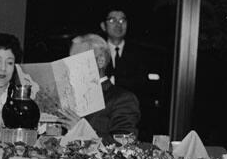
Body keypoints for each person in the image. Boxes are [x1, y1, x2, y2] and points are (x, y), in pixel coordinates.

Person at [60, 33, 140, 145]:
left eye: (77, 59)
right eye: (69, 60)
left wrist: (81, 130)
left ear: (100, 61)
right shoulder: (68, 95)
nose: (70, 66)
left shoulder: (122, 99)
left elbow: (124, 143)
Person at [100, 8, 168, 140]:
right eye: (112, 20)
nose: (118, 25)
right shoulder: (96, 51)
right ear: (103, 25)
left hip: (134, 118)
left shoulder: (142, 53)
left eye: (122, 20)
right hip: (103, 117)